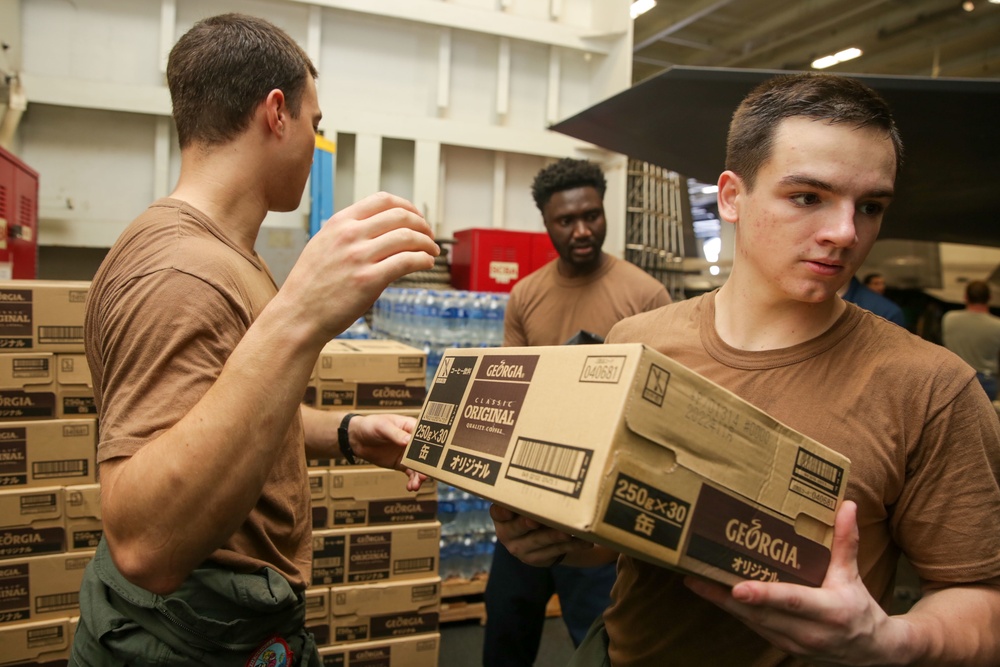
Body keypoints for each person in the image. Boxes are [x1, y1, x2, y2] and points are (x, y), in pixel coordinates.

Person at [492, 72, 1000, 666]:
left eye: (870, 206)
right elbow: (624, 539)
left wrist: (890, 641)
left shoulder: (929, 387)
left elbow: (982, 601)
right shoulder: (640, 341)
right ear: (732, 196)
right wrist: (553, 539)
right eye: (808, 197)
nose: (845, 233)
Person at [70, 14, 439, 667]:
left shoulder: (216, 251)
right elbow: (144, 542)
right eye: (315, 124)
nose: (315, 141)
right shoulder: (184, 274)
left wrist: (347, 432)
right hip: (185, 637)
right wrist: (300, 313)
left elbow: (221, 413)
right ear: (277, 113)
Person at [483, 158, 671, 666]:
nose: (582, 230)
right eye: (566, 221)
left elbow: (659, 409)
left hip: (600, 508)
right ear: (546, 223)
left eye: (592, 215)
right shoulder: (526, 295)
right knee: (505, 630)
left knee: (600, 640)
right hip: (527, 491)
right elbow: (512, 392)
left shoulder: (645, 296)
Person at [942, 280, 1000, 400]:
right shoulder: (997, 326)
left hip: (955, 377)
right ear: (989, 298)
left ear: (965, 297)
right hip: (986, 381)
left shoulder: (949, 318)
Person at [840, 273, 905, 326]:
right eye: (876, 284)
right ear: (866, 285)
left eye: (883, 284)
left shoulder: (888, 311)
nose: (881, 287)